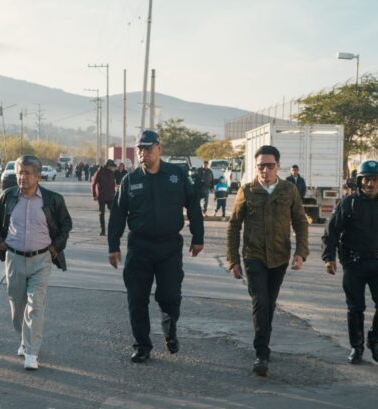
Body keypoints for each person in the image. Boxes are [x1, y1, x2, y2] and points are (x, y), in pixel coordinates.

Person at [108, 130, 204, 363]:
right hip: (139, 247)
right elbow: (118, 215)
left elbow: (193, 206)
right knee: (136, 298)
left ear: (159, 149)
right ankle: (142, 345)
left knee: (169, 296)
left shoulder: (177, 175)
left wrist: (198, 237)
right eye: (140, 149)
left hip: (169, 246)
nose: (144, 153)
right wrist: (113, 246)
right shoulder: (130, 180)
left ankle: (170, 332)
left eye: (148, 148)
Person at [226, 145, 309, 377]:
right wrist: (233, 260)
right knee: (260, 301)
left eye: (270, 165)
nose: (265, 170)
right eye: (261, 165)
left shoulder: (288, 190)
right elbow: (233, 225)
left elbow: (301, 222)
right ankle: (261, 353)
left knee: (269, 303)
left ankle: (264, 340)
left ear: (278, 166)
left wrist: (300, 253)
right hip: (254, 256)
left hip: (280, 257)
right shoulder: (247, 190)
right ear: (256, 167)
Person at [0, 155, 72, 370]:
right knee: (17, 307)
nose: (22, 177)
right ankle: (24, 339)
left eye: (27, 173)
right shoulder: (7, 196)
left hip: (42, 259)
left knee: (36, 305)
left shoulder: (53, 199)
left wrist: (55, 248)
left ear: (38, 176)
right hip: (14, 258)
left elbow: (65, 225)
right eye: (19, 172)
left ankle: (31, 352)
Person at [321, 160, 378, 365]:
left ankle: (374, 340)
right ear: (359, 181)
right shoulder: (348, 203)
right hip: (354, 265)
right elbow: (331, 232)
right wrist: (329, 257)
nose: (370, 183)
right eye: (366, 179)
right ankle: (356, 347)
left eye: (374, 179)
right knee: (355, 308)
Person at [91, 159, 117, 236]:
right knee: (102, 213)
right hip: (102, 196)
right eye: (111, 166)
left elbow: (113, 183)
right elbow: (93, 184)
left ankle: (111, 229)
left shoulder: (112, 173)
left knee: (113, 213)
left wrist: (115, 193)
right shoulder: (99, 172)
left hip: (111, 196)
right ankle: (103, 230)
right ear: (107, 166)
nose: (113, 168)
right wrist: (94, 195)